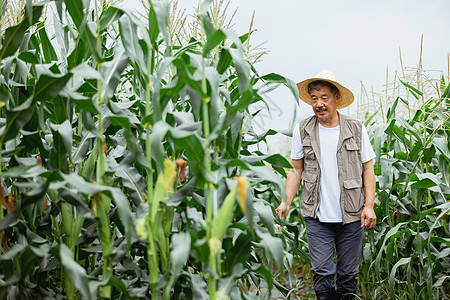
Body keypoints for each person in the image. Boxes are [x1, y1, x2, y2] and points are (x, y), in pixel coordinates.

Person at [275, 70, 377, 300]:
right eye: (314, 98)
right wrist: (285, 202)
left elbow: (367, 169)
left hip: (352, 215)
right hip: (317, 215)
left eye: (324, 97)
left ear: (336, 98)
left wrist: (369, 206)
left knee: (348, 275)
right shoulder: (303, 129)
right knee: (322, 272)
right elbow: (296, 170)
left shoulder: (356, 128)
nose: (319, 104)